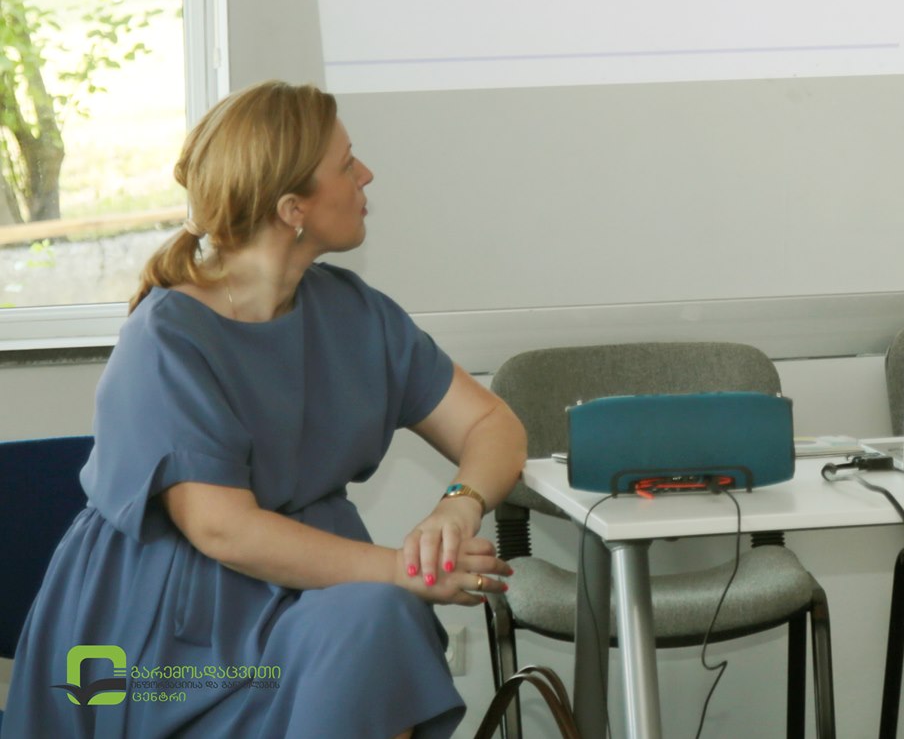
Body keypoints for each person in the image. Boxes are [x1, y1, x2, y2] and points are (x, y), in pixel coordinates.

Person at [9, 81, 528, 738]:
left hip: (312, 597)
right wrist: (404, 569)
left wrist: (459, 503)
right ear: (292, 209)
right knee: (378, 617)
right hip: (175, 629)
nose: (366, 174)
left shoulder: (354, 311)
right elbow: (224, 530)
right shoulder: (167, 337)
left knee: (379, 620)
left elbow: (492, 424)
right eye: (347, 163)